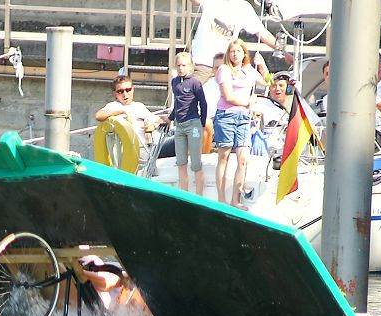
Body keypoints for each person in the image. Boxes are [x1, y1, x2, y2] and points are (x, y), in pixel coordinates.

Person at [213, 38, 265, 208]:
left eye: (238, 51)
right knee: (225, 156)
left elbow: (266, 82)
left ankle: (235, 200)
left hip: (243, 118)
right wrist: (248, 102)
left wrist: (262, 64)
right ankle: (222, 198)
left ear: (244, 54)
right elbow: (228, 96)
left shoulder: (248, 70)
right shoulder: (224, 70)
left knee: (243, 159)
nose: (235, 54)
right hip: (226, 116)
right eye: (232, 51)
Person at [189, 0, 287, 85]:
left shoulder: (243, 7)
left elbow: (262, 33)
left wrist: (282, 50)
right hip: (202, 65)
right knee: (193, 103)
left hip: (226, 68)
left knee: (223, 104)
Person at [95, 75, 164, 169]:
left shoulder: (139, 106)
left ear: (133, 90)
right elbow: (98, 115)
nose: (125, 94)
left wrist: (153, 126)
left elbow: (160, 120)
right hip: (123, 155)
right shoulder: (113, 106)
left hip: (144, 151)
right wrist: (122, 112)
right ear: (115, 94)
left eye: (128, 90)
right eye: (120, 91)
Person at [166, 52, 208, 195]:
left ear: (191, 66)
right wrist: (170, 118)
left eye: (184, 65)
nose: (181, 68)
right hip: (180, 126)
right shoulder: (175, 82)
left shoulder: (195, 83)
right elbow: (177, 104)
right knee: (181, 161)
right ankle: (184, 193)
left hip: (193, 124)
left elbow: (203, 103)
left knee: (196, 162)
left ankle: (199, 195)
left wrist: (201, 123)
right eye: (178, 66)